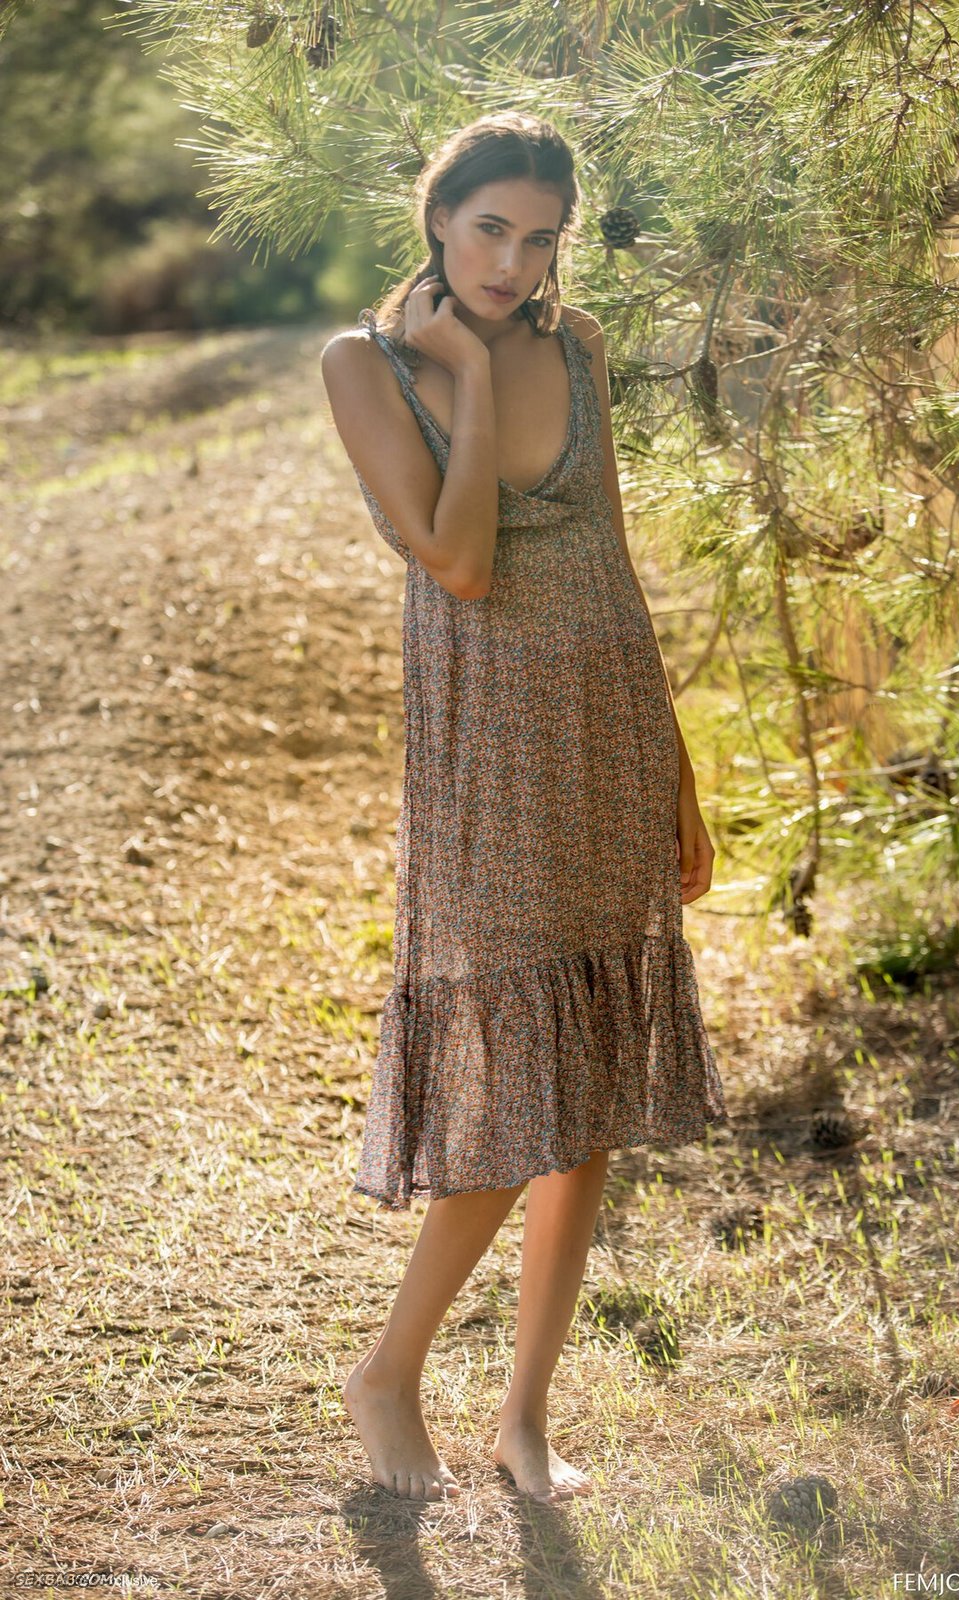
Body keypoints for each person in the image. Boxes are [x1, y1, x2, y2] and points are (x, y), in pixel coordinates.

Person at [320, 111, 728, 1508]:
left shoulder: (582, 345)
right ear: (439, 218)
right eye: (490, 228)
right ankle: (389, 1375)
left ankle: (526, 1417)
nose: (512, 262)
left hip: (605, 731)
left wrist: (673, 766)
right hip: (488, 745)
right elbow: (460, 562)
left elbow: (611, 561)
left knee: (590, 1084)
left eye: (539, 238)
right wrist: (472, 376)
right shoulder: (366, 365)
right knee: (516, 1090)